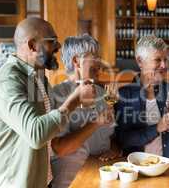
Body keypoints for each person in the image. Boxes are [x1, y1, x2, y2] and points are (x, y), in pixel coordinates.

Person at [0, 18, 96, 188]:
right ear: (32, 45)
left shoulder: (39, 77)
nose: (58, 47)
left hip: (42, 179)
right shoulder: (7, 81)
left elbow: (49, 129)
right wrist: (73, 101)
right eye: (52, 42)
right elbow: (36, 134)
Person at [51, 35, 120, 188]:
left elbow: (112, 138)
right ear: (77, 61)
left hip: (104, 179)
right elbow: (60, 148)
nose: (100, 65)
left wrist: (114, 150)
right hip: (72, 181)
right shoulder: (57, 95)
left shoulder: (103, 93)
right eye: (95, 58)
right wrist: (96, 122)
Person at [115, 35, 169, 158]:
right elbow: (123, 140)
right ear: (140, 61)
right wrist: (156, 128)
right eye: (158, 60)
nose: (164, 66)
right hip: (136, 168)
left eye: (166, 60)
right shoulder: (124, 95)